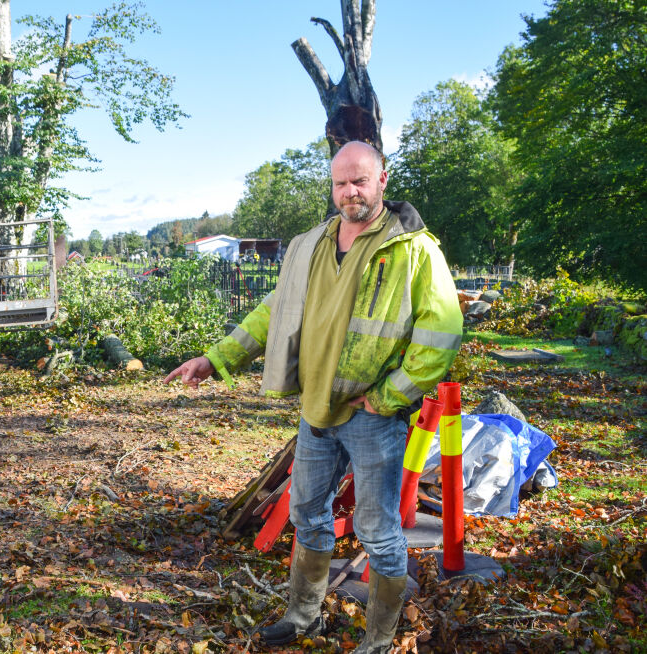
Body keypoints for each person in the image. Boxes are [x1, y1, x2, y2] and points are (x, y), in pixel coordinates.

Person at [164, 141, 462, 652]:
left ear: (382, 181)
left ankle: (379, 641)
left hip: (373, 416)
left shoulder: (413, 249)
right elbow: (272, 313)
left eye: (360, 181)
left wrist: (391, 395)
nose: (350, 192)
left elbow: (443, 332)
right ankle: (304, 617)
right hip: (317, 410)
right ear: (332, 186)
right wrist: (215, 359)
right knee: (308, 513)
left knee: (377, 530)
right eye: (341, 183)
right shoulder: (311, 244)